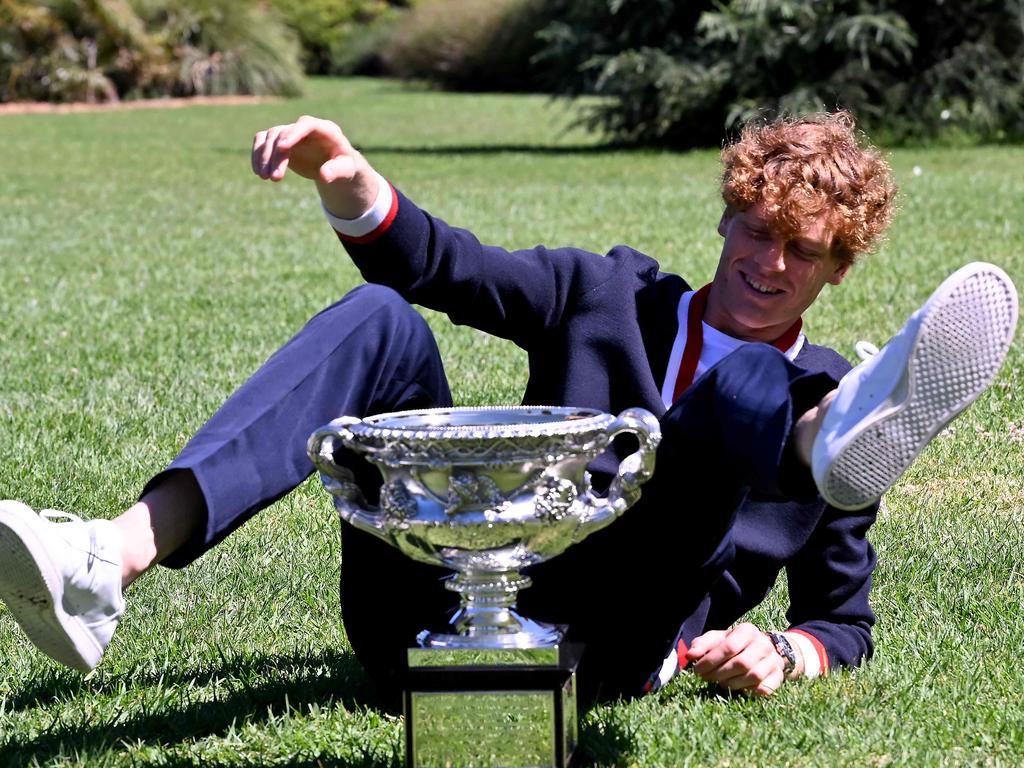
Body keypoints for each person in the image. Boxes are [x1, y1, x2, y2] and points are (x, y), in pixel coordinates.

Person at [0, 111, 1017, 705]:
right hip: (421, 610)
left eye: (803, 250)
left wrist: (786, 650)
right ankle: (108, 560)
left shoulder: (826, 394)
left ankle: (804, 445)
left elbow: (842, 618)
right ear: (726, 216)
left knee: (753, 388)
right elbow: (445, 267)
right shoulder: (602, 293)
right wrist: (347, 178)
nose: (769, 263)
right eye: (757, 230)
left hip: (604, 643)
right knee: (377, 320)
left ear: (838, 269)